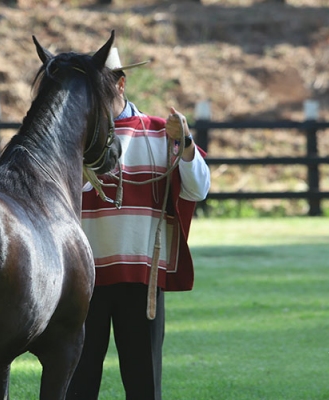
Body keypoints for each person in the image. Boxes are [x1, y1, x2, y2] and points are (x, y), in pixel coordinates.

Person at [67, 47, 211, 399]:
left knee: (144, 384)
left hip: (143, 279)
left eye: (97, 90)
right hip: (85, 277)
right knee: (76, 384)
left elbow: (198, 189)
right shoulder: (72, 140)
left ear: (121, 85)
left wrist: (185, 143)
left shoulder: (162, 132)